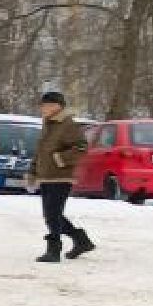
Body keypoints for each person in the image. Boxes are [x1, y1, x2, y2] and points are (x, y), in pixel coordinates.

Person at [31, 91, 94, 263]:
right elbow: (41, 150)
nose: (43, 108)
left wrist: (60, 159)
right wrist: (33, 170)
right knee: (51, 214)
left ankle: (54, 250)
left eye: (46, 105)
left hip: (61, 176)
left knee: (52, 214)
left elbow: (81, 147)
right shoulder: (48, 124)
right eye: (42, 105)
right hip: (46, 175)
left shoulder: (67, 124)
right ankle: (81, 240)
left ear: (57, 106)